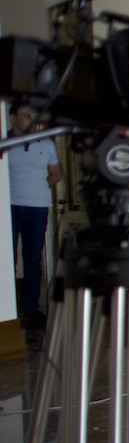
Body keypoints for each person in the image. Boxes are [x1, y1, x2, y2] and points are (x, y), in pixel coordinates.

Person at [6, 105, 61, 332]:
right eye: (25, 115)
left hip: (38, 207)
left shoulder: (46, 144)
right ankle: (8, 312)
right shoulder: (4, 143)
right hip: (10, 207)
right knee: (7, 260)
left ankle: (31, 311)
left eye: (33, 116)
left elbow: (56, 174)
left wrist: (38, 187)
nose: (30, 120)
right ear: (13, 117)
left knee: (33, 259)